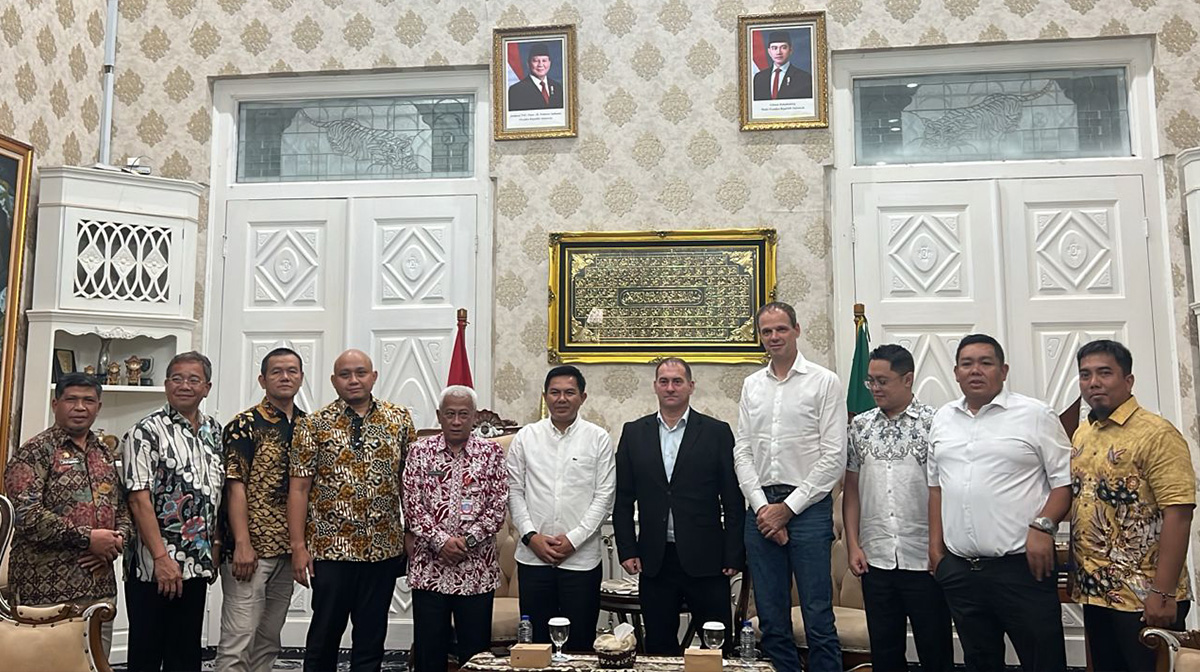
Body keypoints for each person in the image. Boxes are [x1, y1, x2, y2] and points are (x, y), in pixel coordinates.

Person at [927, 334, 1071, 672]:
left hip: (1022, 569)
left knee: (1043, 661)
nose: (975, 370)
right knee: (980, 661)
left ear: (1003, 371)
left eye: (985, 363)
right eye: (967, 364)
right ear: (956, 372)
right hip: (961, 571)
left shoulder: (1035, 414)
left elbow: (1064, 483)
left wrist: (1043, 526)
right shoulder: (943, 418)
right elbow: (936, 488)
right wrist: (936, 551)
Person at [1070, 339, 1195, 672]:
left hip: (1144, 595)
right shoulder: (1083, 434)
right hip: (1096, 591)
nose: (1093, 382)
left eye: (1104, 373)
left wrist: (1163, 592)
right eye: (1085, 374)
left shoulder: (1157, 434)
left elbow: (1179, 514)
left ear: (1128, 380)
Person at [734, 301, 844, 672]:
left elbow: (833, 457)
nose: (774, 337)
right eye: (766, 331)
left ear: (797, 330)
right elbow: (743, 451)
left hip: (808, 508)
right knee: (770, 615)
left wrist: (787, 509)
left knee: (817, 612)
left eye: (781, 329)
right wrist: (763, 508)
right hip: (761, 507)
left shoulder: (824, 381)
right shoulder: (752, 386)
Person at [288, 349, 415, 672]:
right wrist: (298, 546)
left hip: (382, 549)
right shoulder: (313, 424)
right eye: (345, 374)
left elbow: (409, 482)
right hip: (331, 550)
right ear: (334, 381)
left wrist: (410, 532)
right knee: (324, 636)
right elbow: (299, 489)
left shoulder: (399, 419)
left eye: (361, 373)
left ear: (373, 377)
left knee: (371, 639)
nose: (353, 380)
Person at [613, 358, 744, 654]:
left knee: (716, 647)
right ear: (655, 387)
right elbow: (622, 498)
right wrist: (627, 549)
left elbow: (733, 499)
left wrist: (734, 552)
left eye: (677, 381)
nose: (670, 388)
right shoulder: (634, 433)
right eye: (664, 381)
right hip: (656, 561)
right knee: (659, 647)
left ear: (691, 386)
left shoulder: (716, 432)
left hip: (708, 560)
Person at [4, 373, 131, 655]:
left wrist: (115, 541)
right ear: (55, 404)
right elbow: (26, 515)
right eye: (71, 399)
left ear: (99, 406)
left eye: (88, 400)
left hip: (99, 591)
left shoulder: (104, 452)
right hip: (45, 596)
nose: (80, 407)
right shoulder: (34, 452)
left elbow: (123, 509)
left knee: (96, 665)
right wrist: (89, 539)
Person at [843, 344, 952, 672]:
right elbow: (852, 490)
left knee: (935, 650)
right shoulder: (860, 426)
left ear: (907, 379)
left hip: (924, 559)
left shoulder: (936, 422)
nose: (875, 388)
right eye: (871, 381)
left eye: (882, 381)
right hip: (876, 559)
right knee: (885, 652)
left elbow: (945, 489)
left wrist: (938, 547)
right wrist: (853, 544)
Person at [123, 351, 225, 672]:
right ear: (166, 385)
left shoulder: (214, 431)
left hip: (196, 564)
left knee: (185, 655)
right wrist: (161, 559)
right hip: (153, 566)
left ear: (207, 388)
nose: (184, 385)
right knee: (147, 656)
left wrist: (216, 546)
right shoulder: (145, 431)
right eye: (177, 379)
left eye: (194, 379)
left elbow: (215, 493)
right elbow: (138, 499)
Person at [506, 365, 615, 651]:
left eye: (569, 392)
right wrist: (531, 537)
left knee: (579, 645)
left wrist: (573, 540)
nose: (562, 399)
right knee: (536, 645)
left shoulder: (598, 438)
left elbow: (604, 497)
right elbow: (514, 492)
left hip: (581, 561)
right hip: (534, 558)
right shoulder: (526, 437)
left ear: (583, 397)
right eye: (555, 392)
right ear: (545, 396)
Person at [403, 386, 508, 672]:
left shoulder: (491, 453)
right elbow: (412, 505)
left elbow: (498, 507)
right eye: (450, 414)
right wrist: (441, 542)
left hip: (476, 571)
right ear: (439, 416)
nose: (457, 421)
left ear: (474, 416)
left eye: (464, 414)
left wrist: (467, 542)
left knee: (475, 657)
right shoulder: (419, 451)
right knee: (429, 654)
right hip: (430, 571)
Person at [216, 347, 307, 672]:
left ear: (301, 377)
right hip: (250, 551)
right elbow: (234, 486)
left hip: (287, 551)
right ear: (262, 379)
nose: (285, 377)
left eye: (292, 371)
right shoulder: (244, 425)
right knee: (238, 639)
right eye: (276, 371)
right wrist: (242, 543)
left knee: (268, 639)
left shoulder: (308, 426)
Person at [751, 31, 813, 101]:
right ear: (769, 51)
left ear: (790, 50)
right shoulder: (759, 78)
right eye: (774, 48)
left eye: (783, 47)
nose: (779, 52)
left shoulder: (804, 78)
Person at [507, 43, 564, 111]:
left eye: (544, 61)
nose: (540, 65)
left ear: (549, 63)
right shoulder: (516, 90)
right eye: (536, 61)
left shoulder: (558, 88)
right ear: (528, 64)